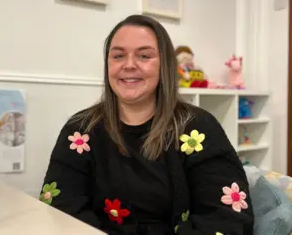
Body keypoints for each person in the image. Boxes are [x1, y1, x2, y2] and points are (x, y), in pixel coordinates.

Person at [39, 15, 254, 235]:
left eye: (144, 55)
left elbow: (228, 219)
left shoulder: (199, 129)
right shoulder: (79, 130)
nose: (129, 65)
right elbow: (59, 210)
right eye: (118, 56)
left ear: (165, 66)